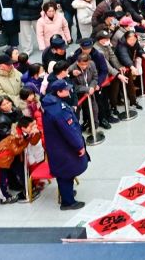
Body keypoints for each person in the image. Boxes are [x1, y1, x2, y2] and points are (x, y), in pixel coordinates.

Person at [41, 79, 88, 210]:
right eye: (66, 90)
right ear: (59, 92)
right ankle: (68, 202)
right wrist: (79, 146)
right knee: (66, 172)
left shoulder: (50, 104)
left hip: (56, 145)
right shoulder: (59, 111)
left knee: (65, 171)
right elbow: (69, 131)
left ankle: (66, 193)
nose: (69, 91)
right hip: (63, 146)